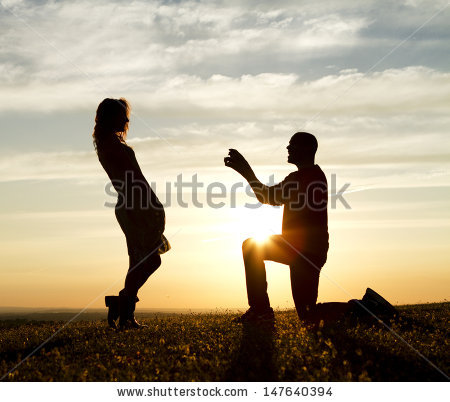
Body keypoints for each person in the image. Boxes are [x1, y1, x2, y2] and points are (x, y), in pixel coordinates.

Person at [224, 132, 329, 323]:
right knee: (308, 316)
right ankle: (365, 308)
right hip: (307, 250)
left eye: (292, 145)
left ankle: (261, 310)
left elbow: (266, 197)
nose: (288, 148)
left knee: (251, 246)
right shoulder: (314, 175)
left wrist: (245, 170)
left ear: (306, 149)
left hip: (302, 250)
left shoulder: (303, 178)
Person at [93, 98, 170, 330]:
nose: (127, 120)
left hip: (139, 204)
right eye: (121, 116)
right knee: (148, 260)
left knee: (142, 260)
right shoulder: (109, 143)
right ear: (109, 118)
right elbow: (131, 179)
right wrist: (148, 205)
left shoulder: (112, 141)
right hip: (135, 206)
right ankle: (124, 307)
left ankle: (124, 309)